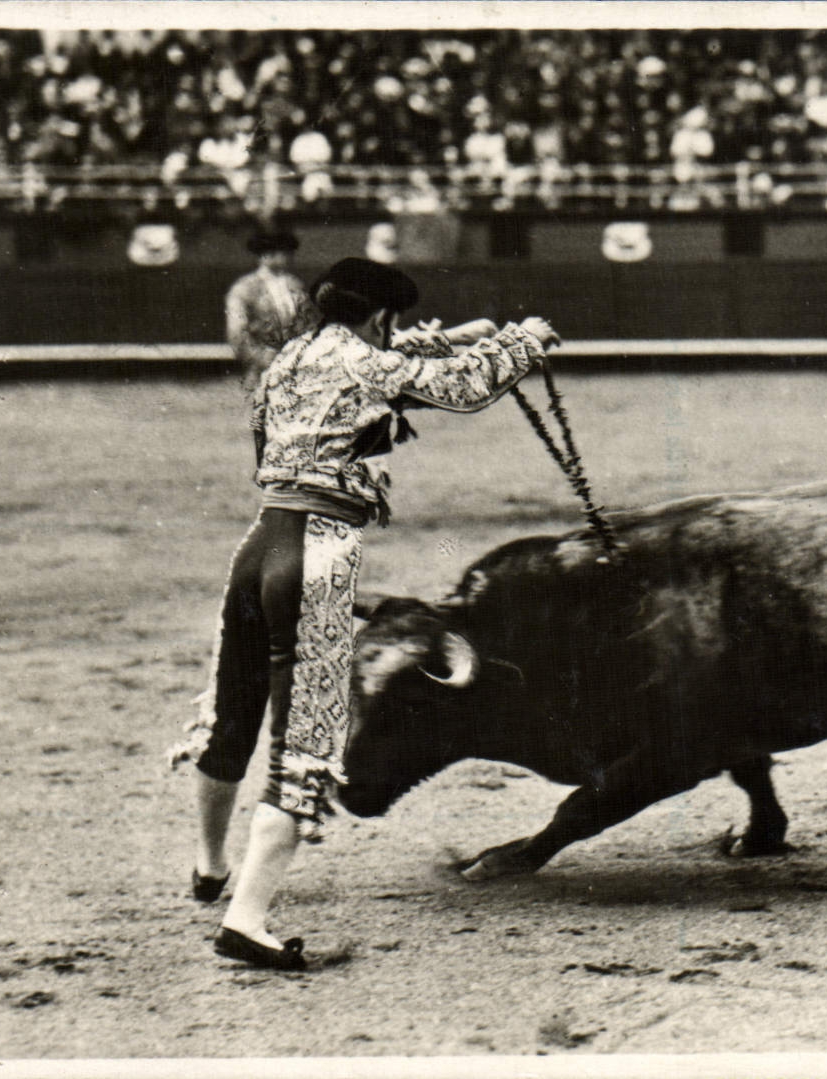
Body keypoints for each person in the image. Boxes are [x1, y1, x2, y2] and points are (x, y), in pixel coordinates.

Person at [168, 257, 561, 970]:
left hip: (259, 545)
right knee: (306, 739)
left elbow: (387, 362)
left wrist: (457, 336)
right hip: (317, 553)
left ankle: (209, 866)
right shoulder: (364, 358)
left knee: (232, 712)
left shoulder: (292, 356)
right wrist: (522, 342)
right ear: (378, 316)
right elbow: (461, 389)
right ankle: (247, 920)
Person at [224, 229, 319, 394]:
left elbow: (309, 324)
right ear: (264, 255)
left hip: (298, 369)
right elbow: (236, 332)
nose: (286, 257)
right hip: (263, 371)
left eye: (286, 252)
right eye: (280, 252)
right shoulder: (245, 288)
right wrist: (259, 358)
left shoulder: (295, 285)